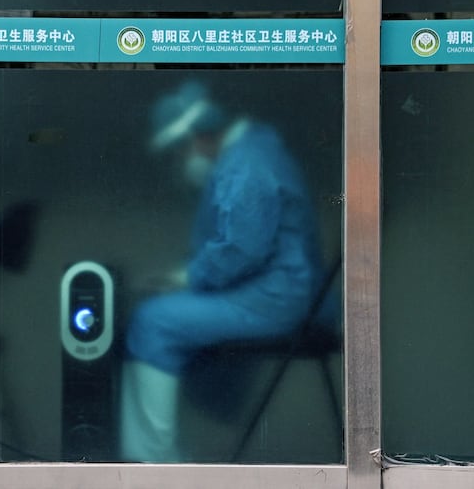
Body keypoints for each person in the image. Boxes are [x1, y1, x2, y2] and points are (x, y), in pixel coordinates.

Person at [119, 80, 325, 462]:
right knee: (157, 313)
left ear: (199, 137)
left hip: (276, 297)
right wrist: (184, 279)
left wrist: (183, 279)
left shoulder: (245, 165)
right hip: (277, 290)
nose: (182, 161)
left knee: (153, 321)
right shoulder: (256, 149)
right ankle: (155, 457)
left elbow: (242, 250)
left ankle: (155, 466)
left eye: (180, 151)